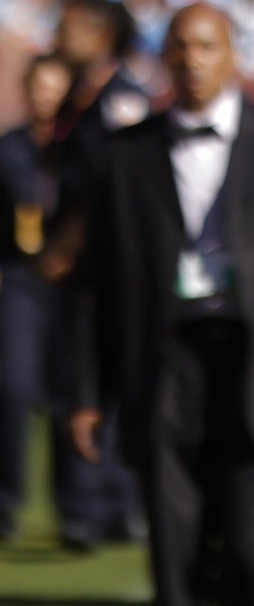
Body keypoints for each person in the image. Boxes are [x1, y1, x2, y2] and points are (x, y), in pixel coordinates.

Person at [69, 2, 254, 605]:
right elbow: (96, 288)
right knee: (175, 549)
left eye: (207, 46)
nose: (193, 60)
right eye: (179, 47)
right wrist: (86, 393)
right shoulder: (124, 155)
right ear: (163, 59)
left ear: (233, 55)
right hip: (165, 366)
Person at [41, 0, 148, 553]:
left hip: (103, 265)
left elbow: (113, 183)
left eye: (74, 28)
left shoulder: (119, 99)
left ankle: (111, 502)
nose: (61, 35)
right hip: (86, 266)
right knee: (77, 385)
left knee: (100, 380)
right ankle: (88, 506)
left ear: (103, 36)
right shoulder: (75, 98)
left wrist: (68, 240)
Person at [0, 53, 72, 542]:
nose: (46, 96)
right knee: (13, 388)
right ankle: (6, 502)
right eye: (39, 86)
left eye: (55, 86)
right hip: (20, 279)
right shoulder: (9, 149)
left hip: (69, 282)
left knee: (72, 395)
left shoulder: (81, 147)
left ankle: (82, 510)